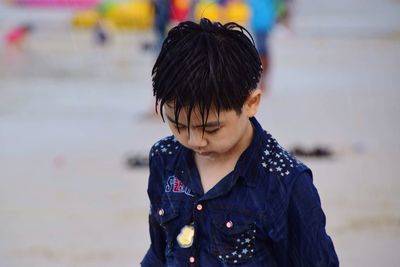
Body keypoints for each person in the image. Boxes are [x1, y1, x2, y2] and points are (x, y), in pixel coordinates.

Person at [141, 18, 339, 266]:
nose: (194, 140)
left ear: (250, 103)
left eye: (210, 128)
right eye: (178, 125)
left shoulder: (285, 181)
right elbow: (160, 251)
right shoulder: (164, 157)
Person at [248, 0, 277, 93]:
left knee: (261, 53)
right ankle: (262, 81)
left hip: (262, 24)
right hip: (259, 24)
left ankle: (262, 81)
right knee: (262, 52)